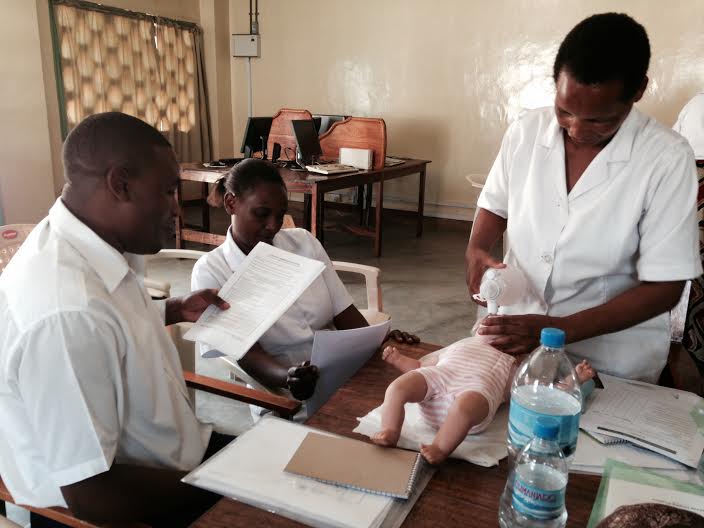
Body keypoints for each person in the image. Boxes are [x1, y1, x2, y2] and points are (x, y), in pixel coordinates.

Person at [0, 112, 232, 528]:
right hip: (110, 502)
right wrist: (226, 489)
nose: (177, 210)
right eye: (168, 192)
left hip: (174, 455)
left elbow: (110, 325)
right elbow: (92, 495)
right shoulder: (66, 313)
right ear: (120, 184)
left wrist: (174, 309)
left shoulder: (93, 242)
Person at [465, 13, 702, 383]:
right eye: (564, 111)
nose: (576, 129)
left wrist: (559, 328)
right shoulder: (526, 131)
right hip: (513, 332)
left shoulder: (666, 158)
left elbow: (665, 286)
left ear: (638, 91)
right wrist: (477, 248)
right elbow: (495, 203)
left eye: (600, 121)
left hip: (609, 356)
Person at [192, 158, 418, 406]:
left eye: (280, 216)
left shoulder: (303, 243)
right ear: (231, 203)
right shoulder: (212, 271)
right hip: (283, 391)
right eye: (262, 214)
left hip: (343, 370)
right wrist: (289, 377)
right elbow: (248, 354)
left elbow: (344, 312)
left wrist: (380, 345)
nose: (273, 226)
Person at [371, 330, 595, 465]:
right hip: (438, 378)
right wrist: (399, 360)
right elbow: (420, 365)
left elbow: (540, 391)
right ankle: (390, 430)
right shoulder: (463, 343)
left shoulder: (513, 365)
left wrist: (574, 378)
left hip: (474, 395)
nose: (498, 332)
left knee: (463, 407)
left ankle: (440, 448)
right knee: (398, 387)